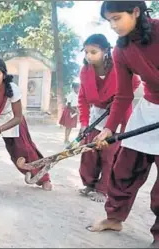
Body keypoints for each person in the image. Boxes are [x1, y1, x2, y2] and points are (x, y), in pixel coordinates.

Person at [87, 2, 159, 247]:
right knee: (124, 169)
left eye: (117, 18)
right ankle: (114, 218)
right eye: (109, 21)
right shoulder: (121, 50)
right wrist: (109, 127)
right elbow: (124, 95)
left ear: (136, 12)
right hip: (148, 111)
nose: (113, 25)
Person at [0, 58, 52, 191]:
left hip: (11, 120)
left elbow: (18, 117)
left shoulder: (12, 89)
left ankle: (43, 178)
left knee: (24, 152)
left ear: (4, 75)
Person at [77, 33, 142, 202]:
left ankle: (102, 189)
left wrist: (118, 97)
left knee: (109, 154)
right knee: (89, 151)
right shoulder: (85, 71)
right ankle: (89, 184)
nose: (89, 56)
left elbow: (134, 82)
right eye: (86, 52)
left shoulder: (118, 66)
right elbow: (83, 98)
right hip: (96, 116)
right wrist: (84, 122)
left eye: (93, 52)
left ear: (105, 51)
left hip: (117, 115)